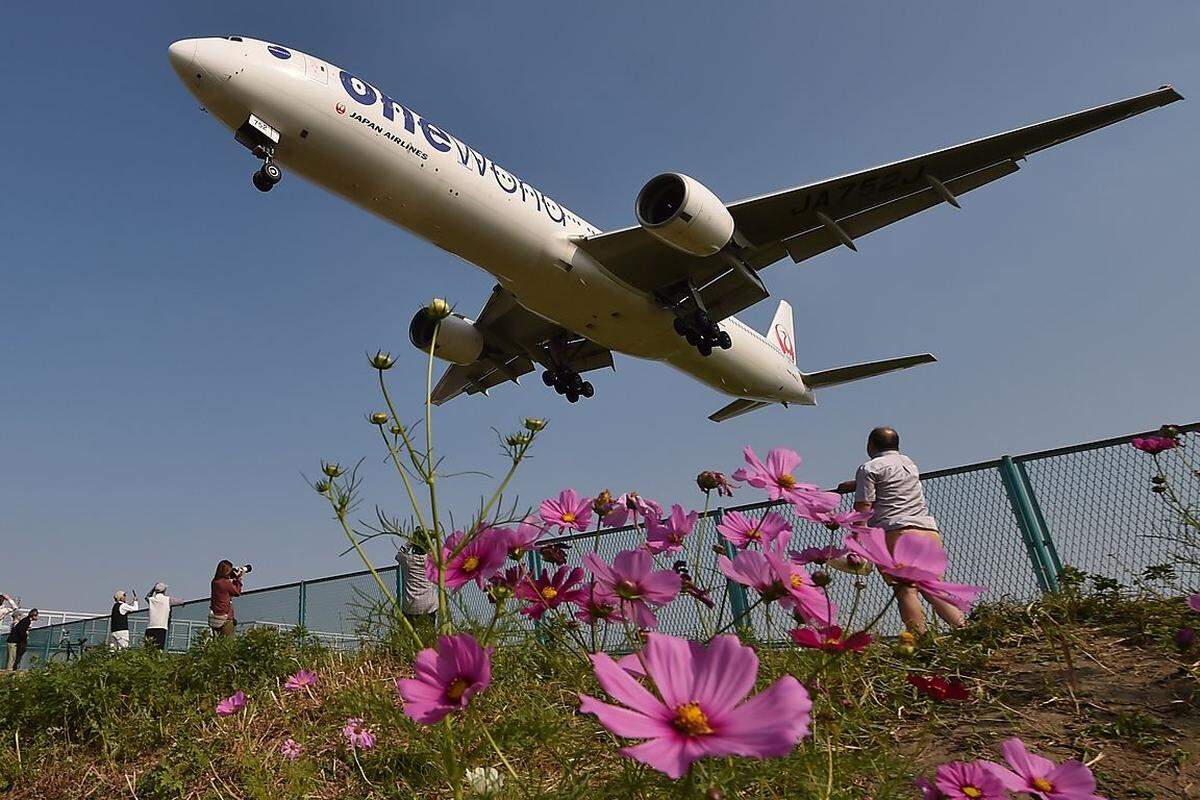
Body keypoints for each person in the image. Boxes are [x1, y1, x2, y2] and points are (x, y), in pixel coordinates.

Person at [843, 426, 965, 634]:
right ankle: (964, 629)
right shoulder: (909, 463)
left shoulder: (868, 468)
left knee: (905, 589)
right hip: (926, 529)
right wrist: (856, 484)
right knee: (933, 587)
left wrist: (856, 542)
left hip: (895, 530)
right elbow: (890, 480)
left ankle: (920, 639)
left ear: (870, 445)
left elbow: (863, 506)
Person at [397, 540, 436, 642]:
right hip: (429, 605)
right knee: (429, 635)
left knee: (408, 636)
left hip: (410, 605)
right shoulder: (431, 559)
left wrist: (409, 542)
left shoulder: (407, 560)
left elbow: (399, 555)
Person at [144, 582, 185, 650]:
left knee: (148, 649)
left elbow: (147, 597)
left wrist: (153, 588)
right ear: (164, 590)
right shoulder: (168, 600)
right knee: (159, 649)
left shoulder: (152, 600)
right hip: (161, 627)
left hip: (150, 627)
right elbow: (181, 601)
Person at [209, 560, 243, 638]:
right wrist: (238, 579)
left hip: (215, 618)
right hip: (226, 618)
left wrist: (233, 579)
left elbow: (227, 592)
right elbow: (237, 592)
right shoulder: (225, 583)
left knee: (217, 643)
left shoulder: (214, 582)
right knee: (228, 645)